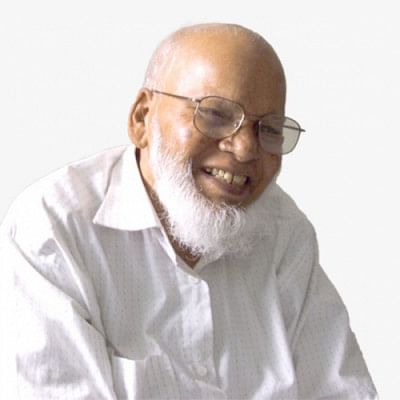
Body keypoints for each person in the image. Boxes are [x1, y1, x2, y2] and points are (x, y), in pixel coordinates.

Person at [0, 23, 377, 399]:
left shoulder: (284, 233)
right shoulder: (52, 227)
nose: (246, 149)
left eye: (269, 129)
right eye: (215, 114)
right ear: (142, 118)